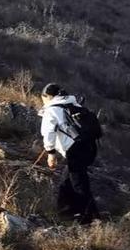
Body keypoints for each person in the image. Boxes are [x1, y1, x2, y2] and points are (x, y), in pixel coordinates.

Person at [40, 85, 101, 224]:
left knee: (79, 184)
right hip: (90, 146)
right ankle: (67, 213)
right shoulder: (74, 104)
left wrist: (50, 153)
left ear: (48, 97)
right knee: (67, 182)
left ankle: (91, 218)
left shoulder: (52, 109)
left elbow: (48, 132)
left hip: (75, 150)